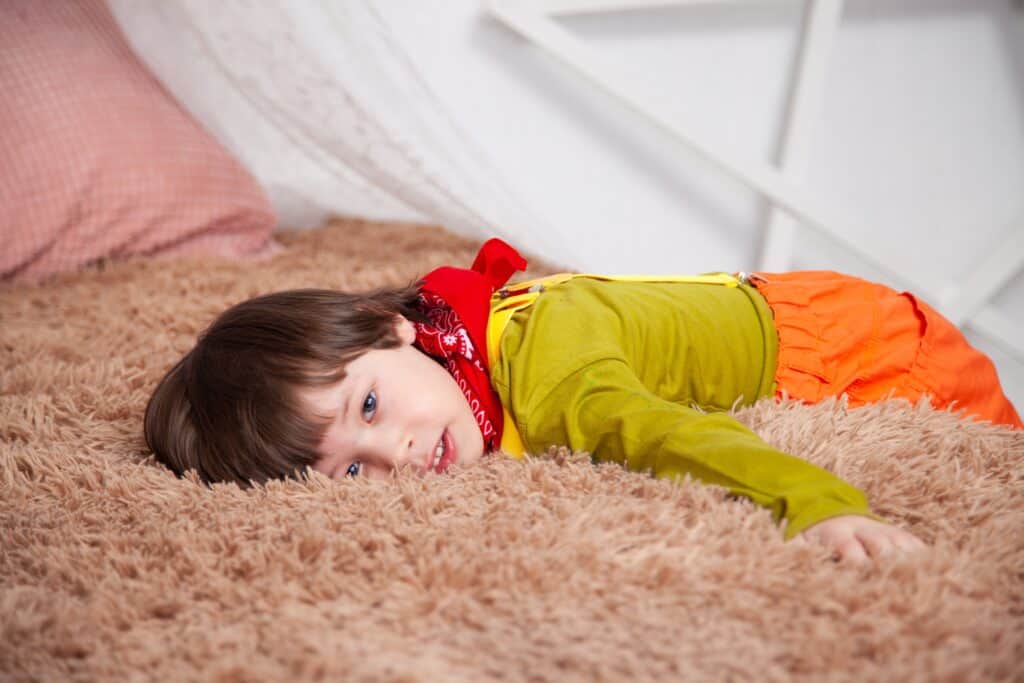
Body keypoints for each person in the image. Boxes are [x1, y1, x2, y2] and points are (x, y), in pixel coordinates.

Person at [144, 239, 1021, 563]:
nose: (398, 457)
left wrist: (821, 505)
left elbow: (678, 435)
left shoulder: (558, 385)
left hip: (866, 347)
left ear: (392, 330)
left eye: (369, 411)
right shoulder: (459, 333)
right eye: (348, 473)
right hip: (798, 296)